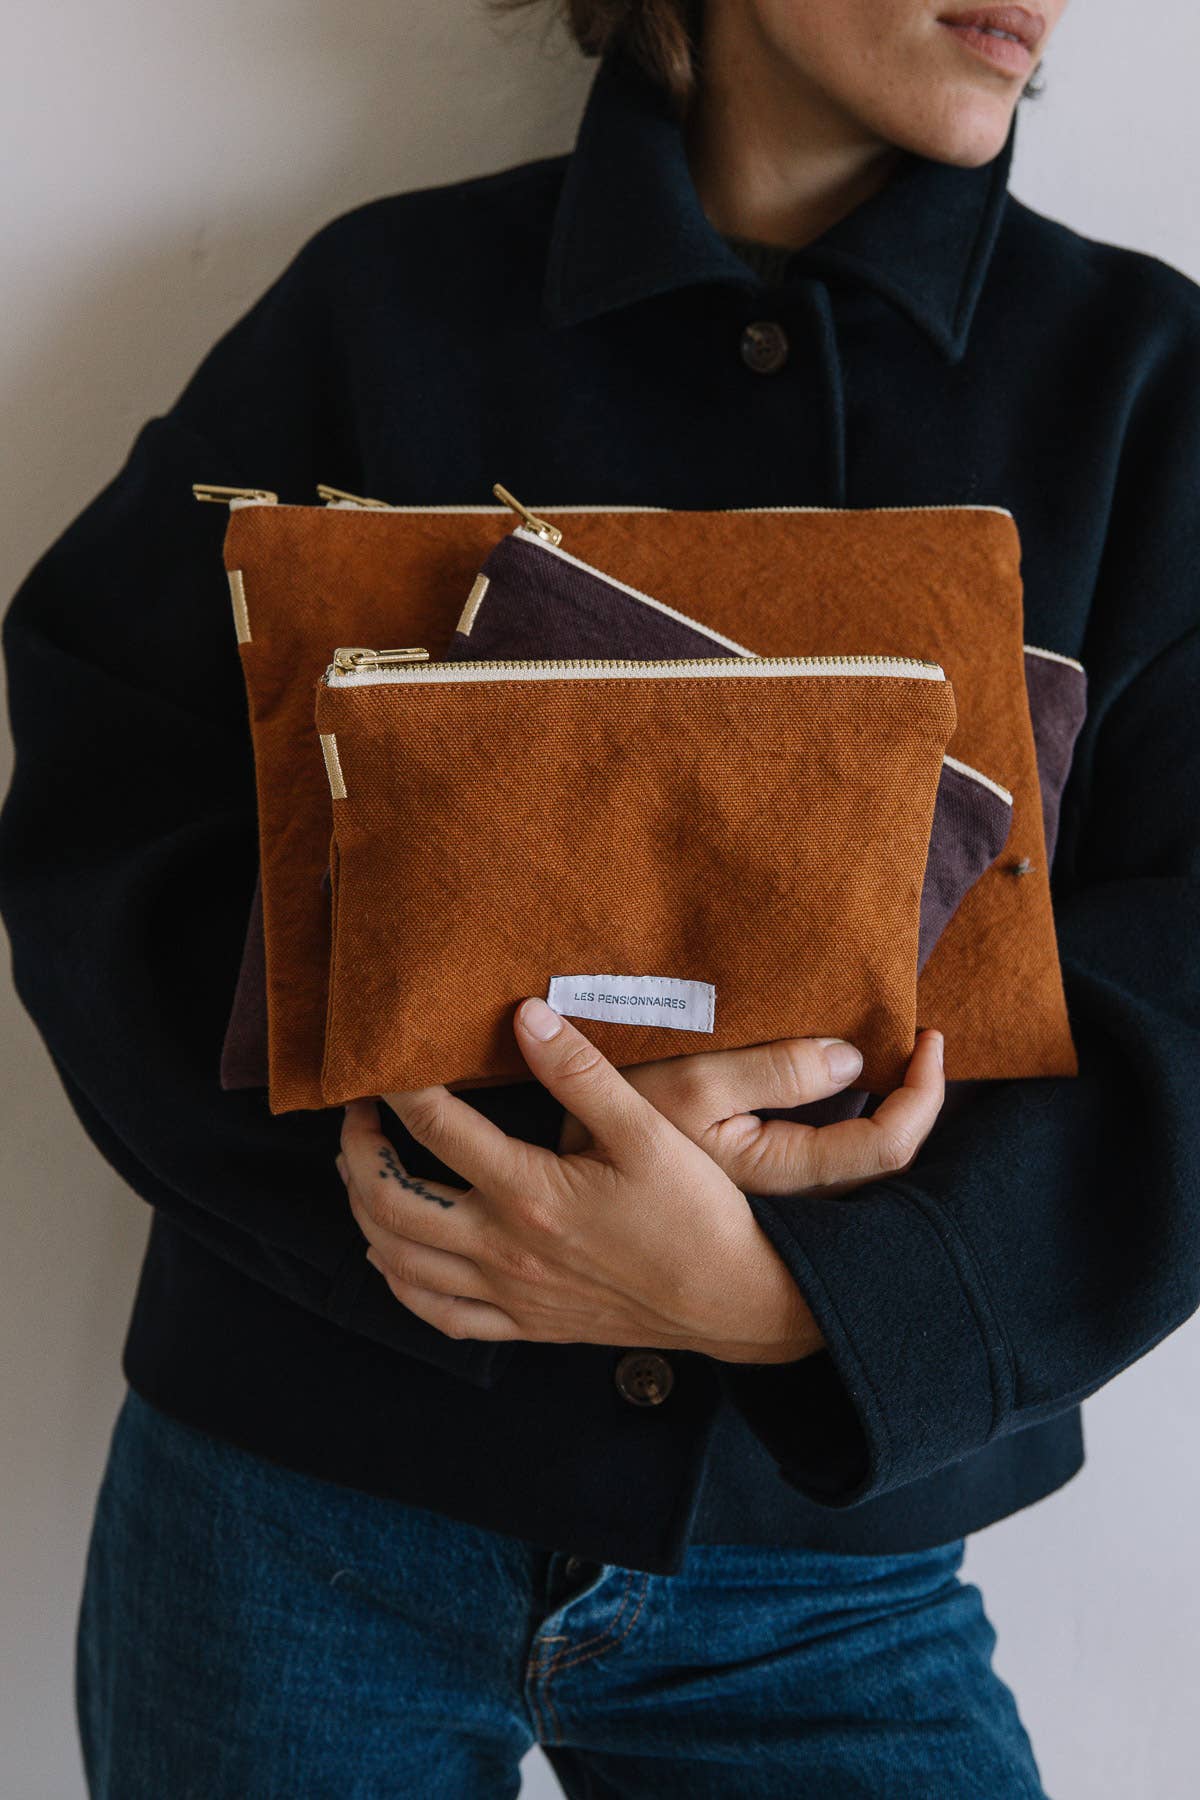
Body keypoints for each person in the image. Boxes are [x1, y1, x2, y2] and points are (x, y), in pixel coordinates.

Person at [2, 0, 1197, 1793]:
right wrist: (448, 1201)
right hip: (294, 1531)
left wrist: (809, 1301)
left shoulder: (1138, 383)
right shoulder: (379, 308)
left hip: (827, 1588)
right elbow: (115, 812)